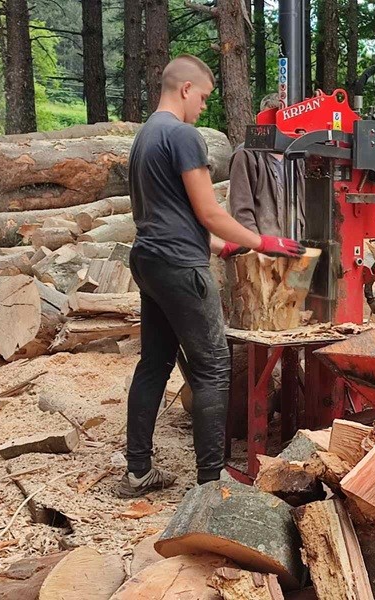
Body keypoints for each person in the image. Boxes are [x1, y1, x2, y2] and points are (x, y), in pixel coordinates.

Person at [118, 55, 305, 498]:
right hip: (181, 266)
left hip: (149, 259)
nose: (203, 107)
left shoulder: (145, 135)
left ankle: (138, 471)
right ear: (185, 89)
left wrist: (223, 247)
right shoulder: (183, 135)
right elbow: (209, 212)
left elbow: (167, 212)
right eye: (202, 97)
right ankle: (210, 483)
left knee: (154, 364)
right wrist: (264, 242)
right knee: (213, 368)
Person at [228, 93, 305, 237]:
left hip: (295, 242)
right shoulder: (247, 155)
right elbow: (241, 210)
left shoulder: (297, 157)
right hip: (264, 243)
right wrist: (256, 243)